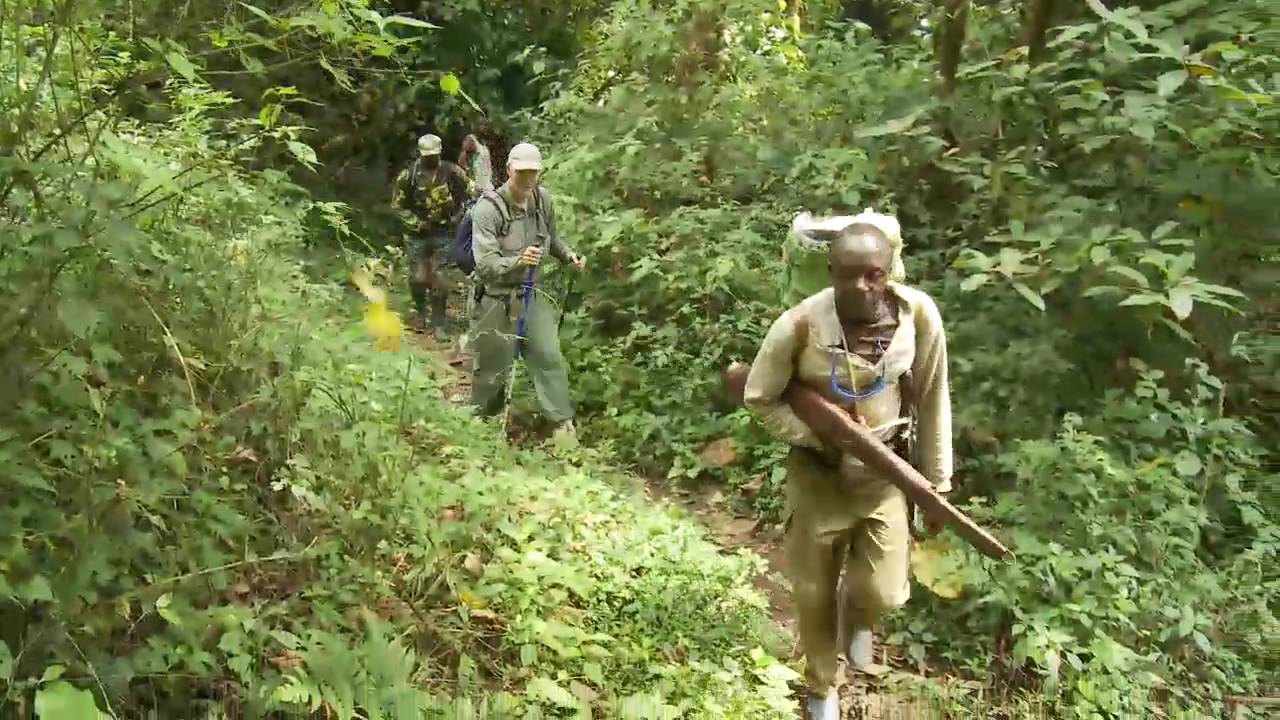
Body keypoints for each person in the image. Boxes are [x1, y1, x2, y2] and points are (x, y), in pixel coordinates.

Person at [742, 210, 953, 720]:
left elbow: (932, 397)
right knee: (813, 592)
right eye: (847, 275)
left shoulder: (918, 317)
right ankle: (821, 689)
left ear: (889, 271)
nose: (861, 286)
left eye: (873, 274)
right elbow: (758, 396)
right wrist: (816, 437)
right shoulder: (799, 325)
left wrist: (938, 482)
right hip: (818, 478)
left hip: (884, 477)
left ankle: (858, 621)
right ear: (831, 273)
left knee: (882, 590)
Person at [469, 142, 585, 439]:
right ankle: (479, 424)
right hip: (495, 297)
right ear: (509, 169)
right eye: (522, 171)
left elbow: (553, 239)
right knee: (492, 370)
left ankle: (562, 424)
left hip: (532, 292)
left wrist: (568, 256)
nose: (528, 177)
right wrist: (517, 261)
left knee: (549, 355)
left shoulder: (543, 201)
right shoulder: (487, 209)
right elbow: (485, 265)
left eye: (533, 171)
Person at [391, 133, 470, 338]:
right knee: (418, 278)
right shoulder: (408, 176)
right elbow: (398, 206)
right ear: (420, 154)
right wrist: (417, 224)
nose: (430, 159)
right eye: (427, 155)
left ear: (440, 153)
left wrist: (459, 216)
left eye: (434, 155)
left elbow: (471, 194)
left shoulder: (452, 172)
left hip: (444, 232)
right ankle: (419, 311)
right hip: (417, 234)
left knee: (440, 279)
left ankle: (439, 324)